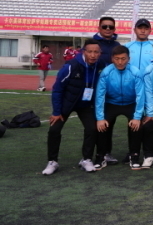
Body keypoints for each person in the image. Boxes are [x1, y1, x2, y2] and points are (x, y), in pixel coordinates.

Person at [42, 39, 106, 175]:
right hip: (67, 103)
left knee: (92, 129)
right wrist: (56, 112)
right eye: (90, 52)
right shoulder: (71, 66)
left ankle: (86, 159)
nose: (93, 55)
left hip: (85, 104)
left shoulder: (100, 65)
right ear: (83, 51)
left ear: (100, 53)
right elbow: (58, 89)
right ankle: (52, 161)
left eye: (96, 52)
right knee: (54, 129)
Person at [95, 45, 146, 170]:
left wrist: (137, 117)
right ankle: (102, 156)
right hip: (112, 103)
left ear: (129, 59)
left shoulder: (135, 72)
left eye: (123, 59)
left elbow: (140, 95)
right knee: (102, 126)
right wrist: (100, 118)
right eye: (117, 59)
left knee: (136, 125)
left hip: (130, 103)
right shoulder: (106, 72)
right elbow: (100, 96)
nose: (120, 62)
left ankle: (134, 156)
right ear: (112, 59)